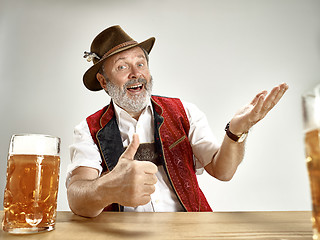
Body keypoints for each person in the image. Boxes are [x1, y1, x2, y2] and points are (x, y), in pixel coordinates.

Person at [66, 25, 288, 217]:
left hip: (190, 230)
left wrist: (236, 131)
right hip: (123, 235)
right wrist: (109, 188)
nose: (136, 74)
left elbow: (223, 171)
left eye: (141, 64)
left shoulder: (184, 112)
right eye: (122, 67)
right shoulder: (89, 129)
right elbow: (77, 197)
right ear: (104, 81)